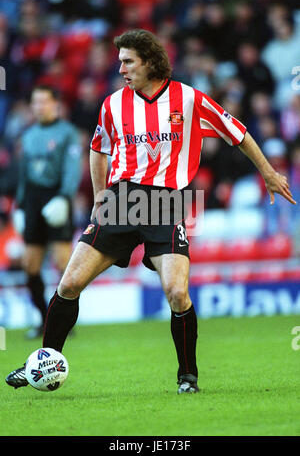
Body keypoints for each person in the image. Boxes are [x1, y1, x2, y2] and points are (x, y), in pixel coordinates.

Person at [6, 29, 296, 394]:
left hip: (166, 202)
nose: (122, 68)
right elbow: (98, 148)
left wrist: (269, 173)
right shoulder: (113, 103)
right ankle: (42, 363)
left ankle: (187, 377)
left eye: (128, 61)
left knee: (177, 293)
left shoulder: (187, 98)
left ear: (148, 60)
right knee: (69, 283)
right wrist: (99, 195)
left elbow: (236, 133)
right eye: (120, 61)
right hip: (121, 201)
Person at [12, 85, 82, 339]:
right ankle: (44, 319)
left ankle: (65, 322)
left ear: (55, 104)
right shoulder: (28, 135)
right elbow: (23, 175)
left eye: (44, 101)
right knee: (30, 264)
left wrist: (65, 197)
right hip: (32, 199)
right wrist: (20, 206)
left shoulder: (67, 133)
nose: (40, 106)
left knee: (63, 263)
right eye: (36, 102)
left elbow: (72, 168)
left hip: (57, 196)